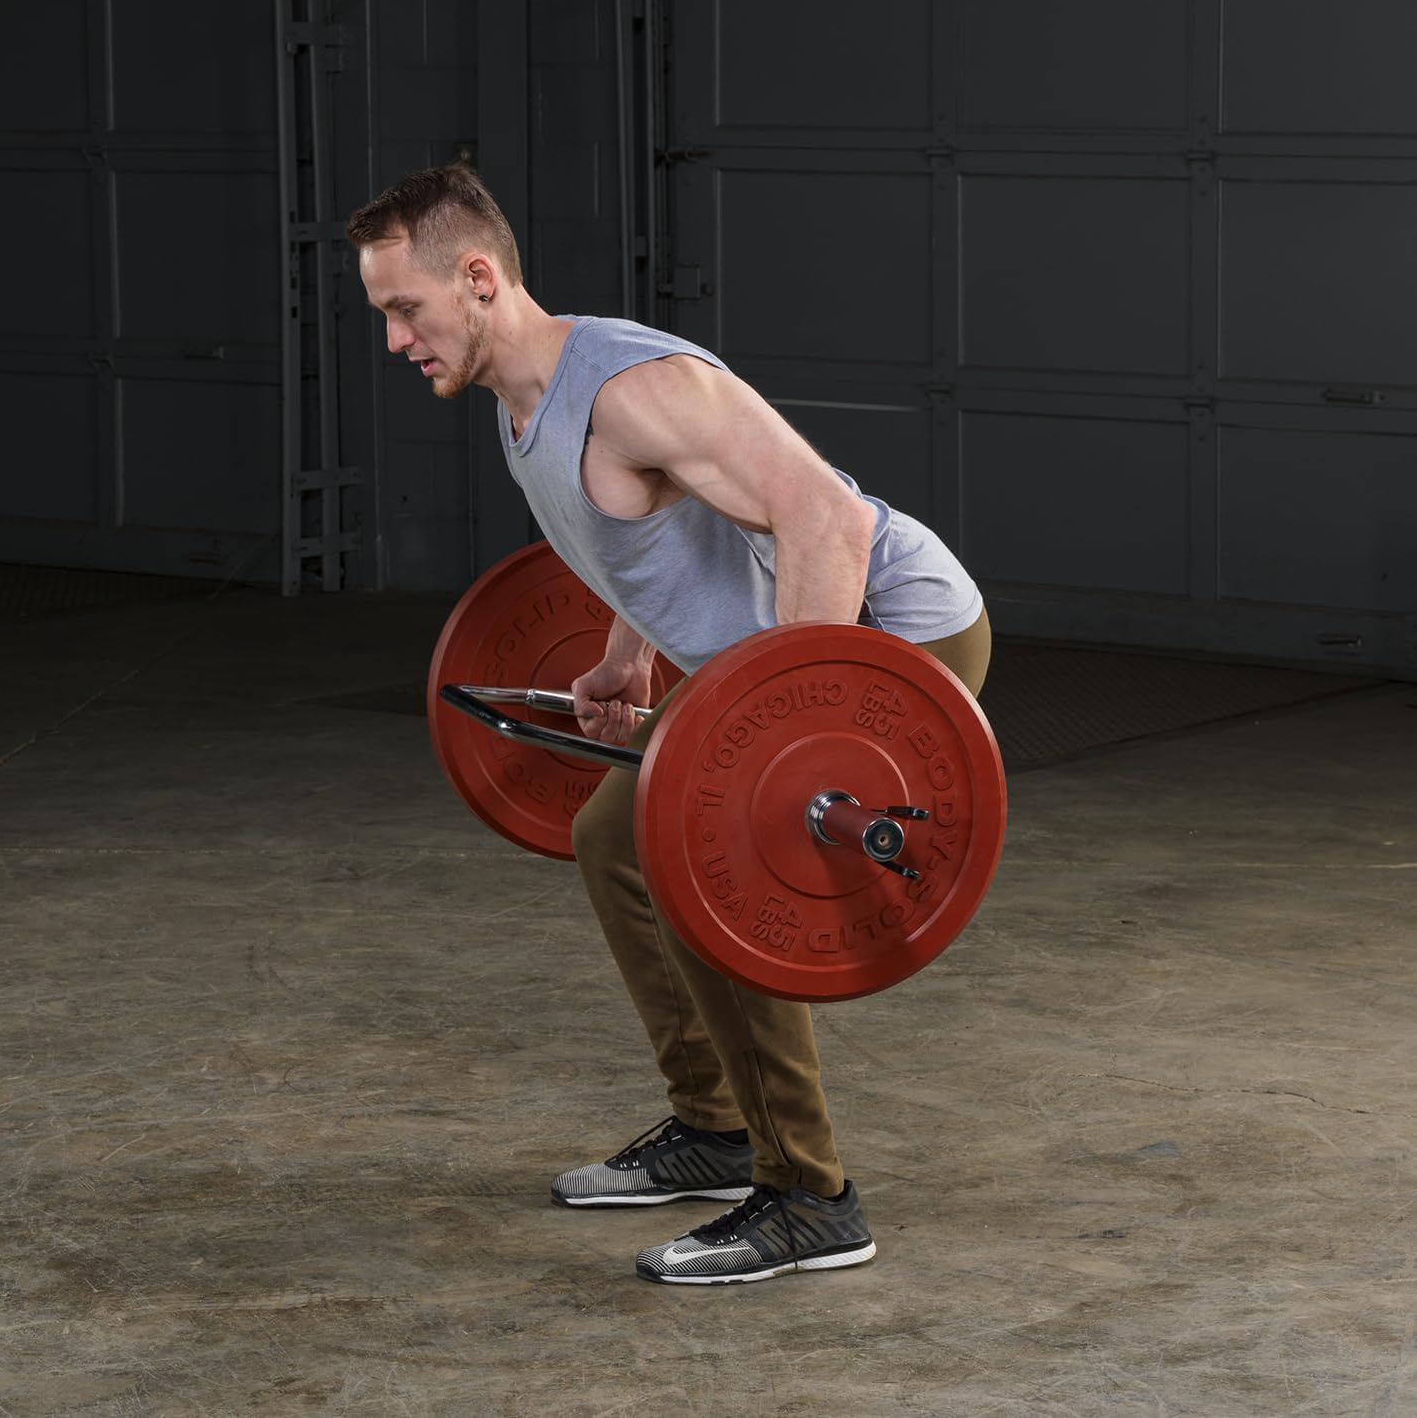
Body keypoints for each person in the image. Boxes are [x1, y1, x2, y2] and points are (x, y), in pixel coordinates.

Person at [348, 164, 991, 1286]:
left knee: (692, 846)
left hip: (889, 634)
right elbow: (649, 535)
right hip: (761, 654)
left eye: (407, 309)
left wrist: (797, 733)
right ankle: (715, 1126)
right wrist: (626, 653)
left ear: (480, 278)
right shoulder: (521, 398)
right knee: (614, 836)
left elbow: (827, 519)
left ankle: (810, 1197)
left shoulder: (633, 387)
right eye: (384, 315)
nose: (396, 339)